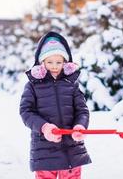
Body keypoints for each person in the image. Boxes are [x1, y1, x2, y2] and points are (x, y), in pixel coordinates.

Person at [19, 31, 92, 179]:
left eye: (58, 62)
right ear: (42, 62)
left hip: (71, 149)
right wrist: (44, 128)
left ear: (65, 62)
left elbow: (82, 110)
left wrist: (80, 126)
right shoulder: (33, 84)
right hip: (44, 150)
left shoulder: (71, 83)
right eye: (50, 62)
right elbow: (26, 112)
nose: (54, 66)